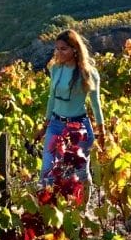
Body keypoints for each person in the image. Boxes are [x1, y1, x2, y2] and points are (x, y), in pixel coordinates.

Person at [40, 29, 104, 187]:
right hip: (56, 124)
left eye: (64, 49)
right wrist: (45, 125)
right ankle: (48, 202)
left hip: (79, 127)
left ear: (75, 49)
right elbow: (52, 99)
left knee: (81, 174)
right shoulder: (55, 69)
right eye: (57, 49)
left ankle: (84, 202)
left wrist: (102, 130)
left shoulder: (88, 73)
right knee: (47, 172)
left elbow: (95, 104)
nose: (59, 52)